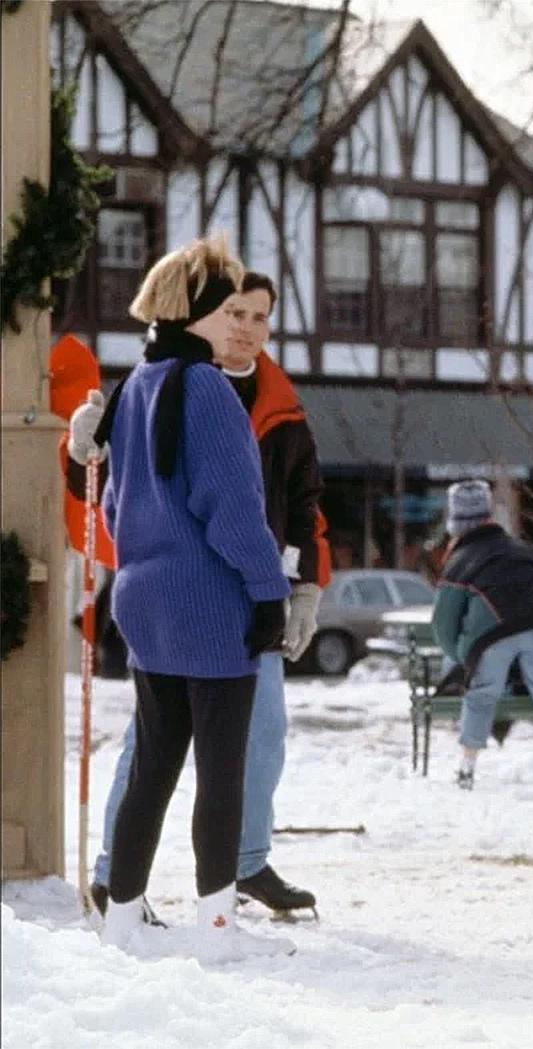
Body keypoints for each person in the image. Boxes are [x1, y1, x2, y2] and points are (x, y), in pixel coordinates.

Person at [69, 272, 330, 923]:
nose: (245, 325)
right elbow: (105, 488)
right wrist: (79, 448)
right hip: (222, 597)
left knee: (259, 738)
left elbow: (305, 508)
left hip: (243, 593)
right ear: (208, 314)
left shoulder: (281, 405)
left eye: (259, 316)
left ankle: (244, 863)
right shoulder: (169, 382)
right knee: (160, 751)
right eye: (233, 310)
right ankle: (119, 879)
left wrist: (307, 590)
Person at [430, 480, 533, 790]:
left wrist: (461, 656)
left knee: (480, 696)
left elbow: (443, 624)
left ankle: (467, 766)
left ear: (455, 524)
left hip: (491, 638)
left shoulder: (459, 563)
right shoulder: (523, 550)